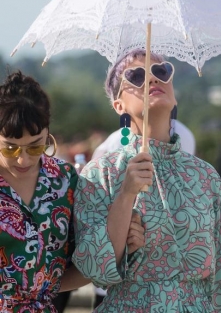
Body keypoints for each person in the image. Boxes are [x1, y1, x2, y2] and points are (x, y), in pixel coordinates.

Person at [72, 49, 221, 312]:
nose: (152, 80)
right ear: (118, 105)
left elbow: (219, 278)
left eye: (161, 71)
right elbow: (95, 271)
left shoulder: (206, 177)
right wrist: (125, 195)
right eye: (136, 76)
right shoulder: (99, 175)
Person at [0, 70, 144, 313]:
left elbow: (91, 259)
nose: (23, 160)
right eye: (10, 149)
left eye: (35, 147)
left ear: (48, 134)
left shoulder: (65, 180)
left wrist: (126, 239)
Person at [92, 120, 196, 308]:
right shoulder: (114, 143)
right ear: (118, 104)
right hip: (132, 277)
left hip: (162, 278)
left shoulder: (113, 140)